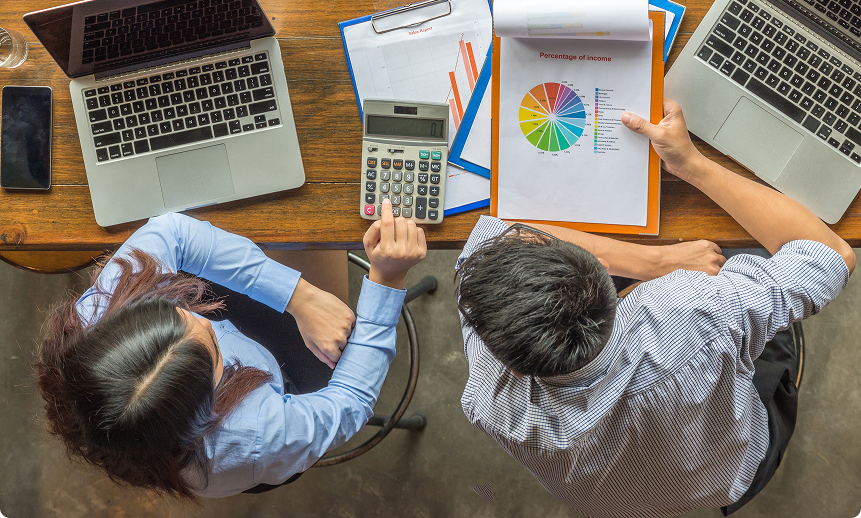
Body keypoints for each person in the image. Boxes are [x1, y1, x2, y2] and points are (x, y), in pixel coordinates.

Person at [455, 99, 855, 518]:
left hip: (625, 499)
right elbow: (831, 254)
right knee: (752, 260)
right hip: (739, 465)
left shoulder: (486, 394)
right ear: (605, 271)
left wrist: (655, 267)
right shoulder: (693, 308)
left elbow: (488, 241)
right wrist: (689, 171)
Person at [34, 198, 425, 499]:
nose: (208, 321)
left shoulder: (102, 311)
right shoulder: (259, 435)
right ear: (209, 404)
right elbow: (349, 403)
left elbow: (175, 233)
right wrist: (387, 282)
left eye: (180, 314)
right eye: (214, 351)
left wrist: (298, 296)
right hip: (277, 398)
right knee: (313, 239)